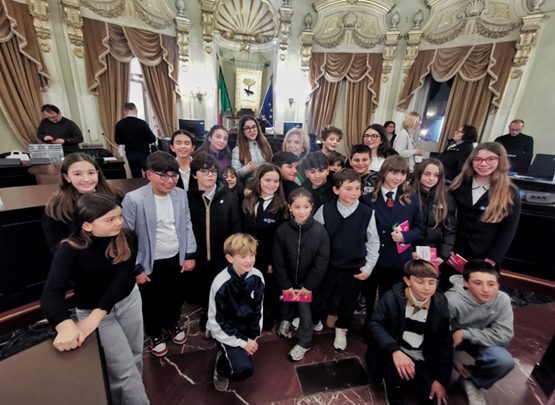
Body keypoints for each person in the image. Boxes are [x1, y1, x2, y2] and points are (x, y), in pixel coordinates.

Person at [41, 193, 149, 405]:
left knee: (135, 356)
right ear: (87, 225)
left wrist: (95, 317)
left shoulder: (127, 237)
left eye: (119, 216)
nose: (119, 222)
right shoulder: (69, 248)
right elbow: (51, 293)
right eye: (110, 219)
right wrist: (65, 326)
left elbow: (123, 280)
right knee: (124, 371)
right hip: (94, 311)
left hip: (127, 302)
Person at [122, 151, 197, 357]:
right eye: (163, 175)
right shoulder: (134, 199)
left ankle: (172, 324)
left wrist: (189, 254)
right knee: (151, 300)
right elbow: (126, 236)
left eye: (174, 175)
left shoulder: (180, 195)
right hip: (149, 261)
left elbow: (187, 224)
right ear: (149, 175)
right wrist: (136, 268)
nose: (170, 181)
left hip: (176, 257)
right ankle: (154, 333)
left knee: (174, 296)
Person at [366, 259, 452, 405]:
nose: (427, 288)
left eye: (432, 282)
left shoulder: (440, 304)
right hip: (395, 351)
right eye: (420, 282)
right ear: (407, 281)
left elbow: (446, 343)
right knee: (396, 386)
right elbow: (375, 324)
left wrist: (440, 380)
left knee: (434, 399)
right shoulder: (392, 298)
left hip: (422, 356)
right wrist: (395, 351)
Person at [314, 168, 380, 351]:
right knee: (320, 297)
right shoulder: (325, 210)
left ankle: (342, 329)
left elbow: (373, 242)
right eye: (348, 188)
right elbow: (315, 238)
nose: (354, 193)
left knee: (348, 302)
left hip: (353, 267)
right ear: (336, 190)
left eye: (357, 188)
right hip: (328, 266)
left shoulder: (367, 213)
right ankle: (315, 320)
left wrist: (368, 267)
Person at [362, 155, 424, 321]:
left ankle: (382, 323)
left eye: (403, 173)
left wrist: (405, 236)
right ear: (384, 172)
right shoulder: (368, 199)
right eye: (394, 173)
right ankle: (369, 322)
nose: (398, 178)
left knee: (389, 297)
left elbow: (419, 228)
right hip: (373, 257)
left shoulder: (411, 198)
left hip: (397, 258)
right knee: (369, 295)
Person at [445, 260, 514, 405]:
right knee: (439, 370)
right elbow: (438, 336)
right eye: (478, 283)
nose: (486, 290)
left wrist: (466, 333)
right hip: (451, 339)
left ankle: (473, 382)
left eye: (491, 284)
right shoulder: (451, 300)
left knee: (504, 361)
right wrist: (454, 362)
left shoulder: (502, 299)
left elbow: (504, 334)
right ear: (466, 283)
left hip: (480, 339)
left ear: (498, 285)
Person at [273, 188, 330, 361]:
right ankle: (287, 319)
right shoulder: (282, 230)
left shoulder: (320, 232)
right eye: (297, 207)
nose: (301, 211)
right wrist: (285, 283)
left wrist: (308, 286)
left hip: (307, 283)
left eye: (306, 207)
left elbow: (321, 261)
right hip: (289, 278)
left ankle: (305, 341)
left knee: (305, 310)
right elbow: (278, 259)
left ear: (311, 207)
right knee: (286, 299)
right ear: (290, 207)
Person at [187, 152, 242, 331]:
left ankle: (222, 314)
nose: (210, 175)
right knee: (202, 286)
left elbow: (236, 227)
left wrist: (232, 253)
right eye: (204, 171)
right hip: (198, 253)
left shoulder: (229, 196)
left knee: (221, 285)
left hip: (222, 254)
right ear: (194, 175)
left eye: (213, 171)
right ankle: (207, 312)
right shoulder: (188, 197)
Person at [207, 233, 265, 392]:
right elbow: (217, 322)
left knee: (245, 357)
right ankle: (221, 368)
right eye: (243, 256)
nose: (249, 260)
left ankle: (231, 355)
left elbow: (258, 310)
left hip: (247, 333)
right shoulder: (221, 283)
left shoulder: (257, 276)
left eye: (252, 255)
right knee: (243, 369)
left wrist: (253, 337)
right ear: (230, 258)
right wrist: (243, 342)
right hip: (227, 333)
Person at [448, 142, 521, 266]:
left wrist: (492, 259)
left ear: (500, 161)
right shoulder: (458, 185)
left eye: (491, 159)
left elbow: (508, 231)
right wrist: (446, 250)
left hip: (485, 258)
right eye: (478, 159)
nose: (483, 164)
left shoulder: (510, 192)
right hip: (454, 254)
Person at [42, 152, 118, 254]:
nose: (86, 179)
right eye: (77, 174)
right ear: (66, 177)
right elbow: (57, 248)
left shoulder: (113, 195)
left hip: (115, 254)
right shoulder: (57, 207)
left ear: (98, 173)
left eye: (91, 173)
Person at [242, 164, 288, 329]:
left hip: (269, 257)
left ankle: (267, 314)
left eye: (276, 181)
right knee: (249, 286)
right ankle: (252, 313)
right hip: (248, 255)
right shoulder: (248, 200)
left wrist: (272, 261)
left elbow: (280, 239)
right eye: (267, 180)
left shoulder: (281, 206)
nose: (272, 184)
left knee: (268, 287)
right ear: (259, 180)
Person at [411, 158, 457, 289]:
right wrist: (409, 251)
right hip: (411, 252)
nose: (431, 178)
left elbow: (450, 229)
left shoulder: (446, 197)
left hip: (434, 254)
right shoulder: (408, 194)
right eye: (427, 174)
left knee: (426, 288)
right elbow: (402, 227)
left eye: (436, 175)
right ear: (419, 173)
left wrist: (443, 255)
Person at [115, 102, 157, 178]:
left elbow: (118, 141)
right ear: (136, 110)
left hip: (130, 154)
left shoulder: (120, 124)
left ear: (125, 111)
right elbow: (152, 139)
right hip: (144, 154)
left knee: (136, 176)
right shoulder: (142, 123)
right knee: (150, 175)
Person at [232, 115, 273, 183]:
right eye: (247, 128)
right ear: (242, 131)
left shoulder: (265, 144)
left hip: (267, 182)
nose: (252, 131)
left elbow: (272, 164)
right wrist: (246, 170)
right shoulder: (237, 151)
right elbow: (234, 175)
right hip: (251, 184)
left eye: (254, 127)